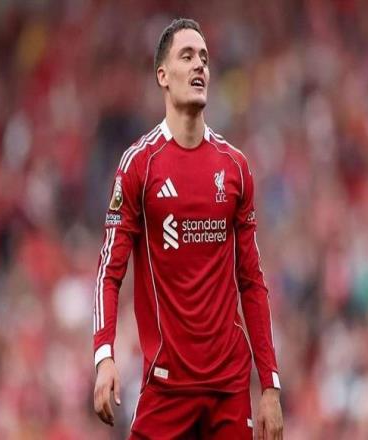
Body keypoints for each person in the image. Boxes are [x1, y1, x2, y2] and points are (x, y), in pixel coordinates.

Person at [92, 18, 283, 440]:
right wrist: (104, 355)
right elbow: (109, 271)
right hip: (167, 386)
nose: (200, 65)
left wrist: (270, 384)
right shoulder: (139, 165)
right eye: (187, 56)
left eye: (205, 58)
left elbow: (252, 281)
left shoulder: (234, 167)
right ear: (163, 75)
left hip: (229, 387)